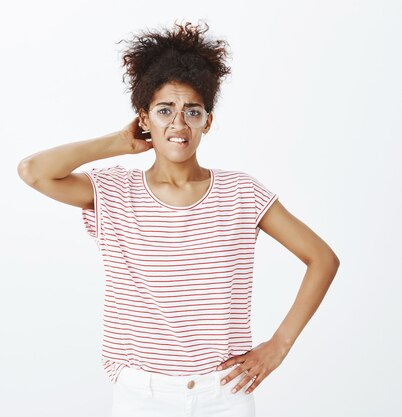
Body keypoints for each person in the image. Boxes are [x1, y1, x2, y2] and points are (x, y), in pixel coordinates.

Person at [17, 19, 340, 417]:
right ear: (144, 117)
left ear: (208, 120)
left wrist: (279, 345)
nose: (179, 124)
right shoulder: (114, 192)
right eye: (165, 110)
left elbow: (322, 258)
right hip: (142, 397)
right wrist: (119, 142)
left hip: (225, 394)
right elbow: (33, 170)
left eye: (193, 111)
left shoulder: (241, 194)